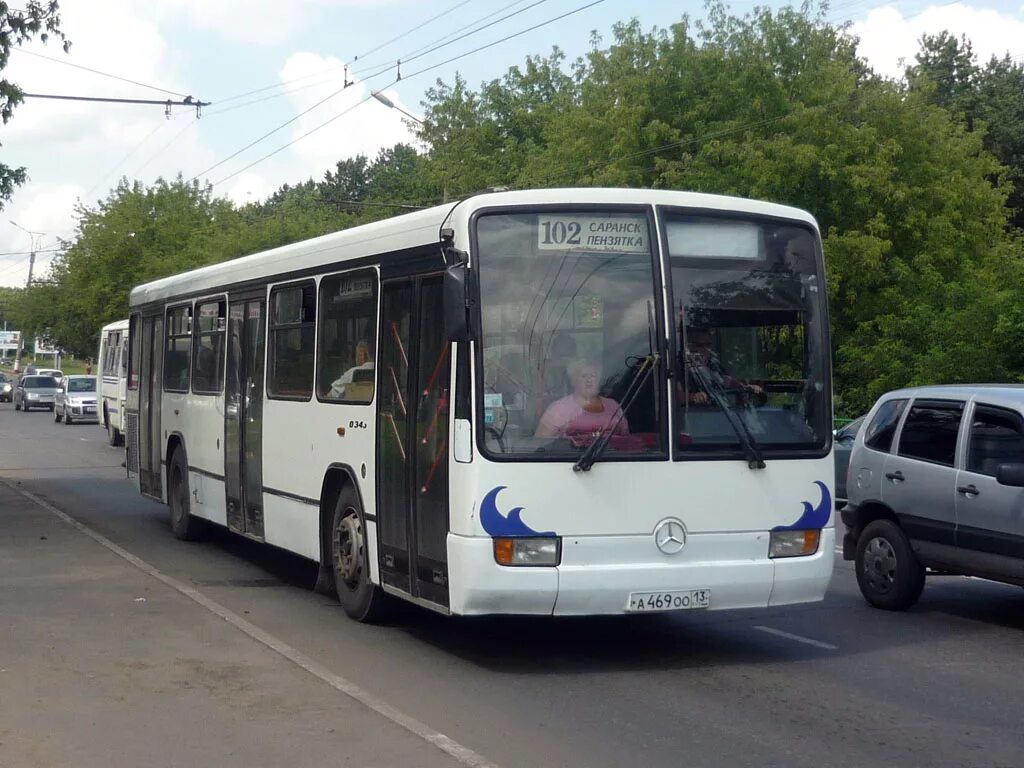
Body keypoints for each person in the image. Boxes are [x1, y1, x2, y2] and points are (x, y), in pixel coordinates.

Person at [535, 359, 629, 439]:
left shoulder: (613, 405)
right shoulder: (559, 408)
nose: (589, 380)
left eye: (593, 376)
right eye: (584, 376)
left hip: (614, 458)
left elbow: (626, 438)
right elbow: (541, 444)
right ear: (573, 381)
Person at [682, 326, 762, 406]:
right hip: (697, 413)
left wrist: (745, 387)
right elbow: (674, 395)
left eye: (708, 345)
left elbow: (726, 380)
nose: (705, 349)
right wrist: (693, 397)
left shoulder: (714, 363)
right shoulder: (683, 367)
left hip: (723, 411)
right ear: (689, 346)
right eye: (700, 345)